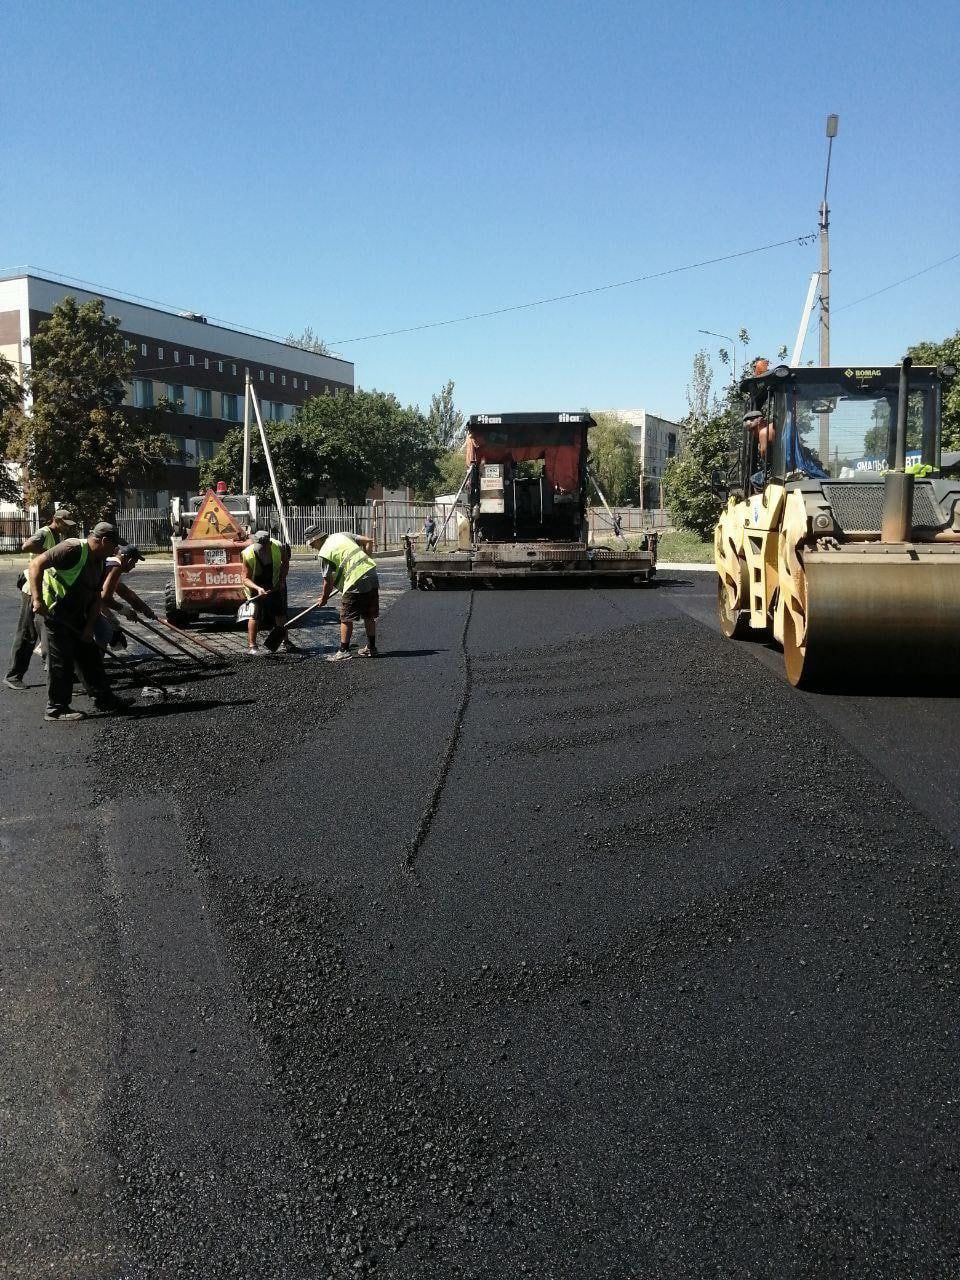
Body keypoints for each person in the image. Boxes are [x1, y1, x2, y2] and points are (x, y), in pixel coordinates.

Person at [27, 521, 128, 722]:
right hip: (54, 612)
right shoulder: (72, 547)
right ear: (104, 540)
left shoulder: (99, 561)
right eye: (113, 546)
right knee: (61, 662)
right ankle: (56, 709)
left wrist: (89, 627)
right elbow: (35, 564)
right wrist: (37, 599)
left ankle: (104, 699)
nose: (114, 550)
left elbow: (96, 597)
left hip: (77, 614)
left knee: (90, 657)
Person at [4, 507, 77, 691]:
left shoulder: (56, 535)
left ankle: (56, 674)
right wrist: (48, 553)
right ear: (56, 519)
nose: (66, 528)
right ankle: (14, 676)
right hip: (32, 590)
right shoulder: (44, 533)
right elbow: (26, 545)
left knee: (45, 631)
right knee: (28, 633)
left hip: (44, 589)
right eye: (64, 524)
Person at [315, 530, 379, 661]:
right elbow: (369, 541)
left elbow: (328, 581)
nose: (311, 547)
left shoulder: (323, 553)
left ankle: (343, 651)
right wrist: (365, 562)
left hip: (355, 579)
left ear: (316, 540)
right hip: (371, 572)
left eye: (311, 543)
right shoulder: (341, 535)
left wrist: (324, 598)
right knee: (369, 615)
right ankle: (371, 648)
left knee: (346, 617)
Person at [240, 530, 292, 655]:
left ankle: (285, 642)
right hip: (255, 586)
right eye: (259, 547)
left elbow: (285, 563)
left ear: (269, 543)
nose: (262, 549)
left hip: (273, 584)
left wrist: (281, 579)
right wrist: (257, 588)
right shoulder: (248, 554)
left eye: (264, 547)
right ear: (254, 543)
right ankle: (252, 646)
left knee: (280, 614)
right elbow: (245, 578)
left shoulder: (278, 546)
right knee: (254, 614)